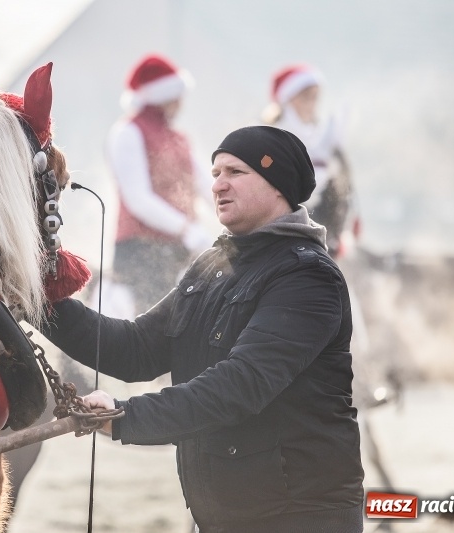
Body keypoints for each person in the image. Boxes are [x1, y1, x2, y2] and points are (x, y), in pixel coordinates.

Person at [42, 126, 365, 532]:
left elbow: (240, 385)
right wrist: (37, 300)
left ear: (278, 184)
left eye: (235, 172)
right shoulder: (210, 266)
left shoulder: (307, 276)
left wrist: (125, 417)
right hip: (221, 519)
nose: (217, 185)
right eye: (214, 174)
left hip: (297, 518)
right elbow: (135, 349)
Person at [102, 53, 214, 318]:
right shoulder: (127, 133)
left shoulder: (179, 138)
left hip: (178, 249)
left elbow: (205, 185)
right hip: (141, 250)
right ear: (166, 96)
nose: (182, 102)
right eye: (178, 95)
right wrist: (186, 229)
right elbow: (138, 199)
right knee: (155, 322)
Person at [263, 63, 359, 258]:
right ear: (289, 100)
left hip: (324, 229)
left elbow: (344, 186)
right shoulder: (270, 136)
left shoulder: (325, 136)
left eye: (316, 97)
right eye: (307, 97)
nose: (313, 103)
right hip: (285, 229)